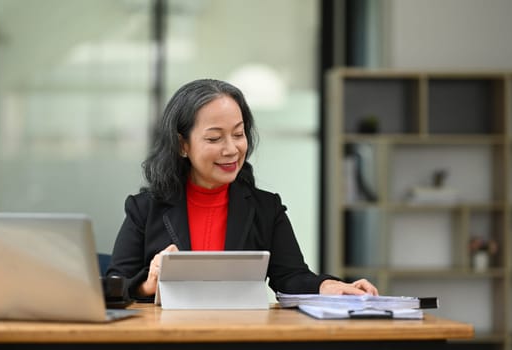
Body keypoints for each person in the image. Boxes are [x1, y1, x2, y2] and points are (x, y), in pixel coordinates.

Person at [106, 78, 378, 301]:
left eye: (238, 134)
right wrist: (148, 284)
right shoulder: (145, 208)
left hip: (239, 334)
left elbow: (291, 276)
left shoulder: (265, 207)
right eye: (214, 138)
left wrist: (329, 286)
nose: (231, 149)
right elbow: (115, 286)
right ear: (182, 145)